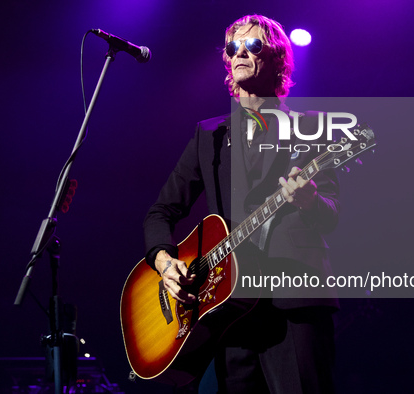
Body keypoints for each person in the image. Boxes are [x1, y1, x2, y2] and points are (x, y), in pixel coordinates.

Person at [143, 14, 339, 393]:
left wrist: (309, 199)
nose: (240, 53)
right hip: (228, 309)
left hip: (293, 300)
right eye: (233, 48)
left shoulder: (311, 128)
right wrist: (164, 261)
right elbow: (160, 212)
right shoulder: (209, 135)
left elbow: (331, 215)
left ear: (278, 57)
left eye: (253, 45)